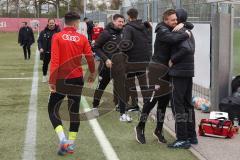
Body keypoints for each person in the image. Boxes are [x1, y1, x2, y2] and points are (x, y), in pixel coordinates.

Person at [134, 9, 192, 145]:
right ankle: (140, 127)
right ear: (165, 21)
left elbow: (189, 24)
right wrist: (187, 34)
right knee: (152, 100)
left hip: (167, 70)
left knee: (164, 101)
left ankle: (158, 130)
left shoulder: (174, 26)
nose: (176, 22)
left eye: (176, 20)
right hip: (157, 70)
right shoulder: (161, 29)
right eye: (173, 20)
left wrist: (183, 26)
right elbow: (172, 38)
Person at [48, 12, 95, 156]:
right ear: (75, 24)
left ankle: (63, 140)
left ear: (64, 23)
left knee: (52, 109)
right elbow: (89, 57)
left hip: (61, 79)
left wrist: (52, 80)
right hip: (76, 79)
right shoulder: (82, 38)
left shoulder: (57, 36)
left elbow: (55, 60)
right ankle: (71, 144)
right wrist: (92, 72)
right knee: (73, 111)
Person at [92, 14, 132, 122]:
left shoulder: (124, 32)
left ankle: (123, 114)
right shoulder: (106, 33)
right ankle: (95, 107)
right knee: (101, 87)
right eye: (119, 21)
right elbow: (96, 47)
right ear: (113, 21)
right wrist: (106, 59)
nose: (121, 23)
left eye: (123, 21)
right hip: (106, 67)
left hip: (120, 67)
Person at [168, 8, 197, 149]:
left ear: (178, 19)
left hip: (179, 73)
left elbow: (186, 49)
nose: (172, 19)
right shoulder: (187, 29)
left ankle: (182, 138)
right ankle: (192, 136)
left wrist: (173, 59)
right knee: (187, 104)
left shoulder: (180, 31)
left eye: (174, 17)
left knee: (177, 105)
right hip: (187, 72)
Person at [122, 8, 152, 111]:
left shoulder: (128, 28)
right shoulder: (145, 26)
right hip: (143, 60)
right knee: (143, 84)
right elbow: (148, 41)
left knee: (130, 83)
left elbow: (126, 44)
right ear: (137, 15)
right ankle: (147, 106)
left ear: (128, 17)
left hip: (131, 61)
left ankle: (134, 105)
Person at [37, 18, 60, 82]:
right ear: (48, 23)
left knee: (56, 65)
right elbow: (39, 41)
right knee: (45, 64)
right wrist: (40, 48)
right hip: (46, 52)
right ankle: (44, 76)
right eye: (50, 23)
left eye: (52, 23)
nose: (51, 24)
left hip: (55, 52)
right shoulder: (43, 32)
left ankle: (55, 77)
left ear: (55, 23)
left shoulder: (58, 32)